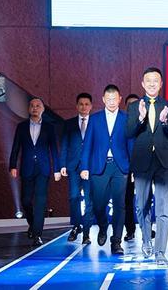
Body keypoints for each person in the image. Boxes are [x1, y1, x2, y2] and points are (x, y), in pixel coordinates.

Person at [127, 67, 168, 266]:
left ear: (161, 84)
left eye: (155, 80)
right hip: (142, 161)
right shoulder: (134, 106)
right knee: (141, 205)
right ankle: (146, 239)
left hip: (164, 161)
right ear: (142, 83)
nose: (152, 83)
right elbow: (129, 133)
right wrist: (140, 118)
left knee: (164, 206)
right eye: (148, 80)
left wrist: (165, 122)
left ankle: (160, 252)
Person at [80, 85, 132, 255]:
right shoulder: (95, 119)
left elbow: (131, 144)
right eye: (108, 99)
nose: (111, 102)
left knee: (119, 205)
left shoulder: (126, 118)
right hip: (98, 166)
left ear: (119, 99)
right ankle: (103, 226)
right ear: (103, 99)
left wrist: (133, 168)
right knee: (98, 204)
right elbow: (87, 144)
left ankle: (116, 241)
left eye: (114, 99)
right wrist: (84, 167)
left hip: (120, 167)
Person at [9, 97, 61, 246]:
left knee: (40, 202)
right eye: (32, 105)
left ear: (43, 109)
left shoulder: (49, 127)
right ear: (28, 108)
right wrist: (13, 165)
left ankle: (37, 235)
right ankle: (32, 224)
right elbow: (15, 147)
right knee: (26, 200)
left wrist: (57, 169)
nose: (35, 108)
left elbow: (54, 149)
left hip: (43, 169)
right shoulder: (21, 126)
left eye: (38, 105)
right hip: (27, 168)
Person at [60, 92, 94, 243]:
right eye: (81, 104)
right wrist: (62, 164)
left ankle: (86, 232)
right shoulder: (68, 124)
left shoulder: (96, 123)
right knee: (73, 197)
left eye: (86, 104)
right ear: (76, 106)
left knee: (89, 200)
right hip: (73, 166)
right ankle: (76, 225)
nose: (84, 107)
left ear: (91, 106)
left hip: (91, 167)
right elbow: (64, 145)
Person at [123, 93, 140, 241]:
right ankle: (130, 230)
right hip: (126, 169)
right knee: (127, 200)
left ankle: (147, 229)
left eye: (136, 104)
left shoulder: (146, 122)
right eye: (130, 105)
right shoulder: (122, 122)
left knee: (145, 199)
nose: (133, 107)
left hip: (143, 168)